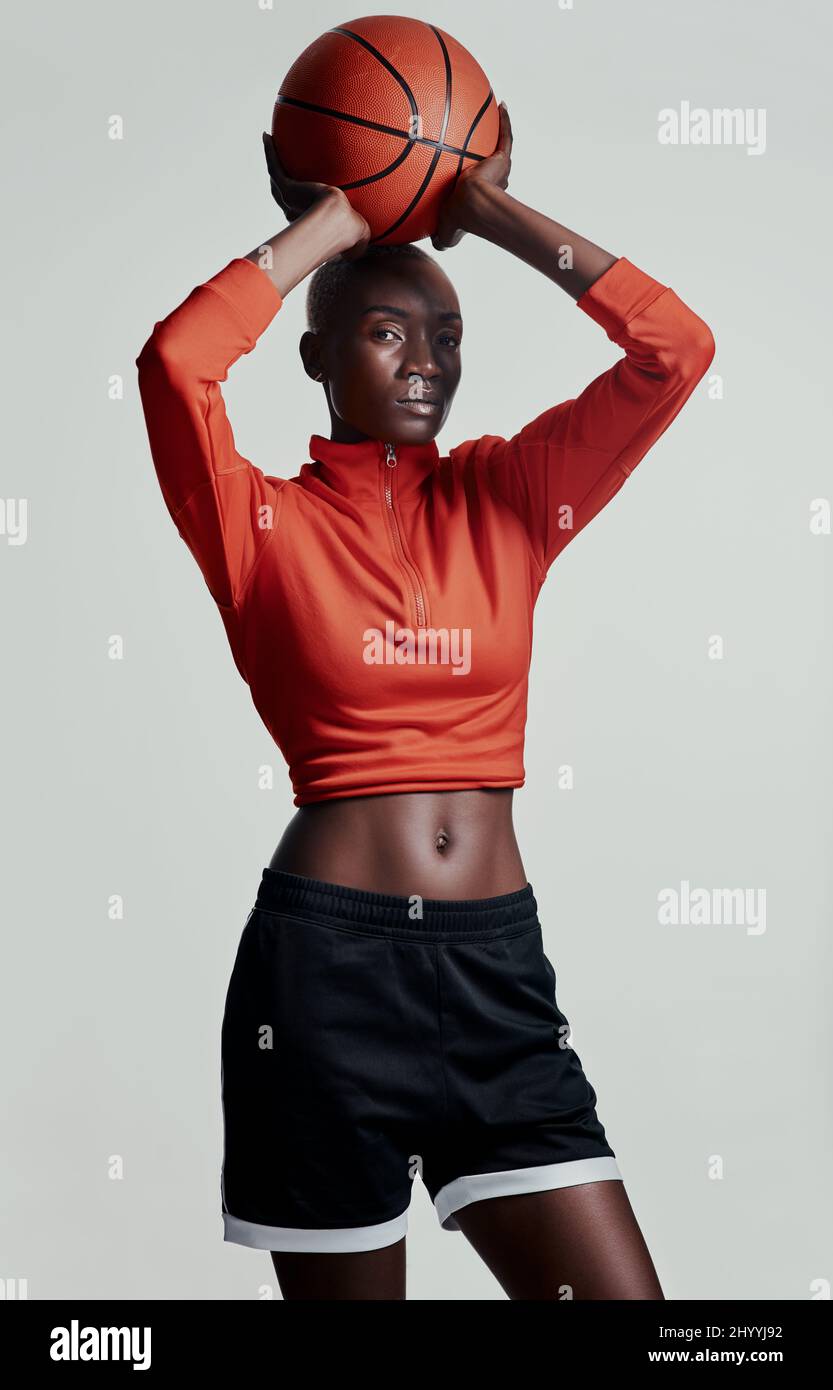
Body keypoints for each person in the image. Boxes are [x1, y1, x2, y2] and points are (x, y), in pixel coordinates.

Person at [135, 102, 715, 1300]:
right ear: (314, 355)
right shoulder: (260, 525)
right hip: (323, 980)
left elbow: (673, 349)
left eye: (445, 338)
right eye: (385, 333)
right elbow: (176, 363)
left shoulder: (510, 494)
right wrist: (336, 221)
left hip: (494, 972)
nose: (424, 365)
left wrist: (480, 211)